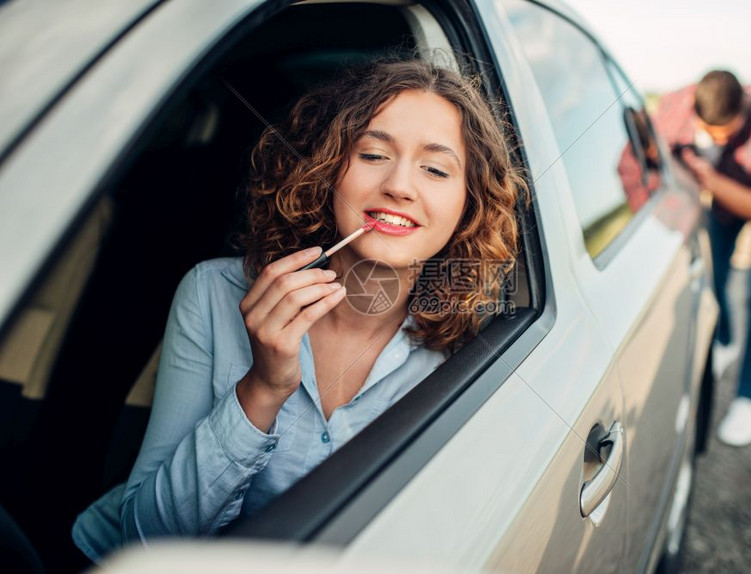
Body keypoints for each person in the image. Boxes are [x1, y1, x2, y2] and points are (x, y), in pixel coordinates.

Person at [71, 58, 526, 561]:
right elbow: (144, 541)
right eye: (373, 154)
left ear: (469, 202)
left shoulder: (478, 344)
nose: (400, 186)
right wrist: (261, 390)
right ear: (327, 168)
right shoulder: (213, 291)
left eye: (436, 169)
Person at [654, 70, 751, 447]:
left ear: (745, 110)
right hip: (723, 204)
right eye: (708, 132)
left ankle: (748, 398)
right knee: (714, 273)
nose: (715, 140)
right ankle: (724, 341)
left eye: (726, 134)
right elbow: (643, 155)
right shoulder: (677, 104)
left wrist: (710, 180)